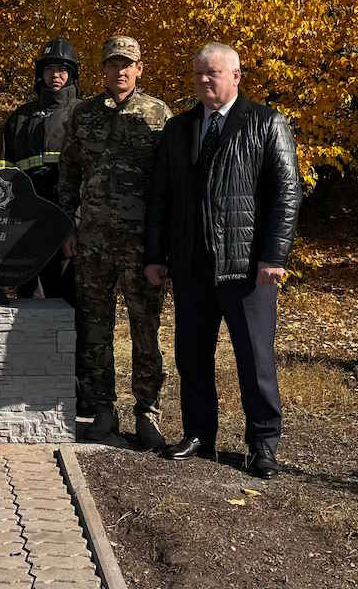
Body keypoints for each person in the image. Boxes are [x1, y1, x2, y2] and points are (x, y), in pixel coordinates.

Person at [144, 43, 301, 478]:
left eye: (211, 74)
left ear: (236, 76)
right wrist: (156, 255)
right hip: (191, 267)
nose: (203, 81)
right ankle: (199, 433)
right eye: (197, 75)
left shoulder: (266, 123)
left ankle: (263, 443)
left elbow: (287, 193)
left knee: (255, 360)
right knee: (192, 355)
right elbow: (160, 198)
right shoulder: (179, 130)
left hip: (246, 267)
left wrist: (274, 255)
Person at [59, 36, 171, 447]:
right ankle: (102, 411)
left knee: (146, 329)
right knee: (94, 329)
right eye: (112, 64)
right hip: (91, 243)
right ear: (102, 70)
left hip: (141, 245)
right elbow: (68, 175)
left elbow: (170, 183)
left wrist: (165, 244)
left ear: (140, 69)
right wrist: (68, 228)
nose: (120, 71)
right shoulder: (83, 115)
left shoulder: (158, 115)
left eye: (128, 64)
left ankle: (148, 412)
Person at [1, 37, 81, 300]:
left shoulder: (83, 114)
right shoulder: (20, 118)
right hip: (27, 222)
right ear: (40, 73)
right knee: (29, 296)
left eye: (61, 69)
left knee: (66, 297)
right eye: (49, 69)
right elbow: (4, 171)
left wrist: (76, 223)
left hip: (68, 220)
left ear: (71, 73)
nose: (55, 75)